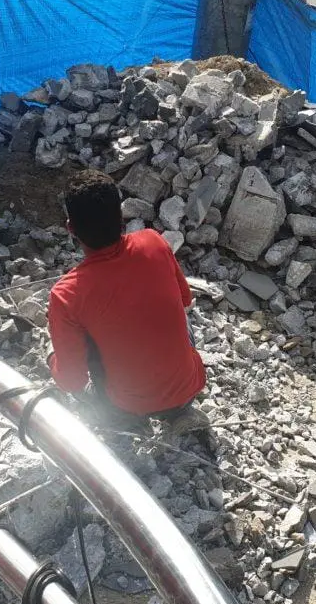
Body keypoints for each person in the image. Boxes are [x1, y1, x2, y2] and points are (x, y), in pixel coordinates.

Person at [46, 169, 210, 435]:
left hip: (124, 405)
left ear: (70, 229)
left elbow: (70, 380)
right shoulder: (153, 241)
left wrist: (53, 358)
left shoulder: (66, 295)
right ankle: (179, 413)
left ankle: (125, 422)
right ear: (121, 217)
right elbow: (185, 298)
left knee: (75, 348)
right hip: (187, 389)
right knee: (180, 316)